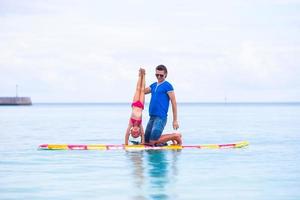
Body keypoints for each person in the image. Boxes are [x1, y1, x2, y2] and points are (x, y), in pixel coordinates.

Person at [144, 65, 182, 146]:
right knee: (146, 141)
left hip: (161, 117)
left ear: (165, 74)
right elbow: (141, 91)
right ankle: (168, 138)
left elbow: (174, 102)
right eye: (157, 75)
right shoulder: (153, 85)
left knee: (152, 142)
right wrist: (142, 76)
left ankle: (175, 136)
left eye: (161, 75)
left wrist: (175, 120)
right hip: (152, 117)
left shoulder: (168, 86)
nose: (159, 77)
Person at [124, 68, 146, 145]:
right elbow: (143, 134)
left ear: (131, 130)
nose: (135, 130)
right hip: (141, 105)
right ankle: (144, 75)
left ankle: (140, 75)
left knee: (137, 89)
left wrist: (126, 143)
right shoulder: (140, 124)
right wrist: (142, 142)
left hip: (135, 104)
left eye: (134, 132)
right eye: (137, 132)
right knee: (142, 90)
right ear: (139, 130)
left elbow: (127, 133)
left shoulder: (131, 123)